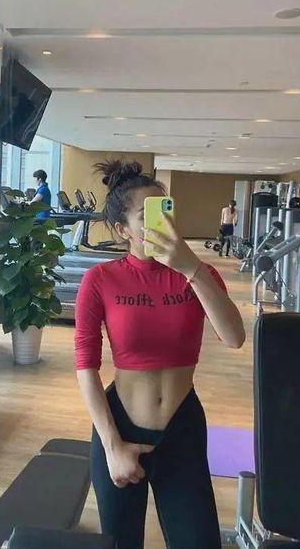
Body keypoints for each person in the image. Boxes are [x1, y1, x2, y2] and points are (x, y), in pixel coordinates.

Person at [74, 160, 245, 549]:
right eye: (147, 214)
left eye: (165, 210)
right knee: (120, 543)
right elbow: (85, 366)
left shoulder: (198, 274)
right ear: (123, 229)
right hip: (120, 425)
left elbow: (234, 337)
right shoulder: (100, 279)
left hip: (182, 428)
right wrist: (112, 445)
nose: (163, 222)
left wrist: (191, 268)